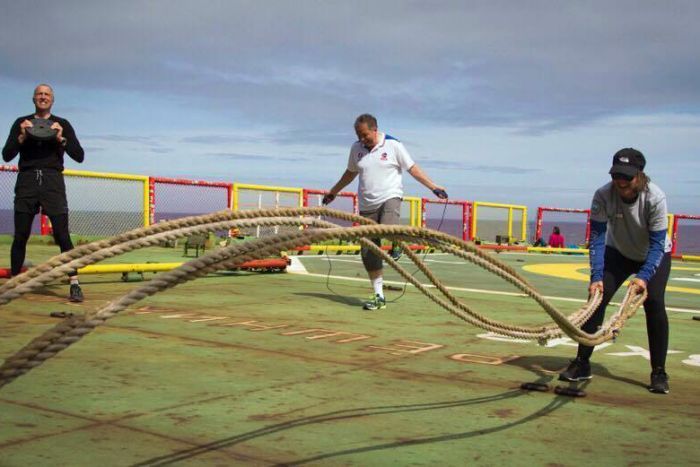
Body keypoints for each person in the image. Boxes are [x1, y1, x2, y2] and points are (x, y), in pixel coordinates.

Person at [559, 148, 672, 394]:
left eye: (627, 176)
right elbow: (598, 238)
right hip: (618, 252)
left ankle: (659, 372)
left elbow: (657, 245)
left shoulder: (655, 198)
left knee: (654, 303)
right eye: (616, 175)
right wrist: (596, 277)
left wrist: (643, 277)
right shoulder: (602, 195)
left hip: (653, 255)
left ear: (640, 175)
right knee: (596, 299)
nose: (620, 181)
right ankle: (582, 363)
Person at [323, 113, 447, 311]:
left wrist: (433, 187)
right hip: (366, 204)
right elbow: (350, 173)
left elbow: (412, 168)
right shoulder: (356, 149)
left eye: (365, 135)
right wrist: (333, 192)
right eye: (359, 136)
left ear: (375, 129)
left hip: (390, 196)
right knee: (368, 250)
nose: (362, 140)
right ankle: (379, 296)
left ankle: (397, 240)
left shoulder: (393, 145)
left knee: (387, 229)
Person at [2, 84, 85, 302]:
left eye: (47, 94)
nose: (43, 97)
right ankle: (12, 285)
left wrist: (61, 138)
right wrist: (21, 136)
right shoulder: (22, 123)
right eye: (39, 94)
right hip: (27, 180)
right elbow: (6, 155)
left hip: (52, 180)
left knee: (62, 235)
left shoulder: (63, 124)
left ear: (52, 99)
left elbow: (79, 155)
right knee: (21, 235)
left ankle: (74, 284)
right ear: (33, 98)